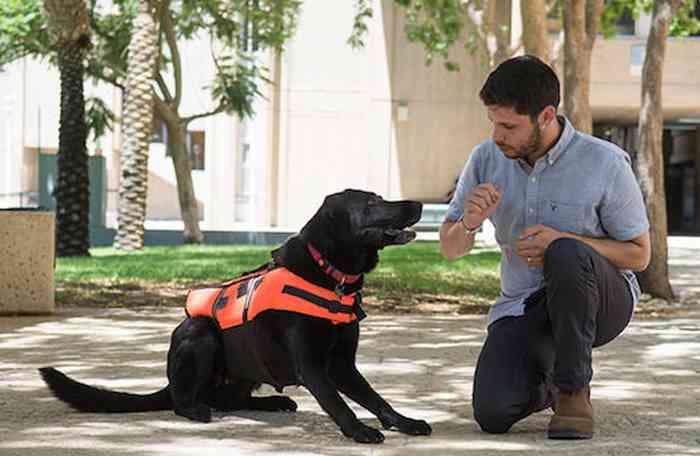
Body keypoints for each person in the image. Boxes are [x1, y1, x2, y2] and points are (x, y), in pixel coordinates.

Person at [439, 55, 650, 440]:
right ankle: (549, 382)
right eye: (493, 123)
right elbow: (451, 249)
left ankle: (573, 391)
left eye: (508, 126)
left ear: (546, 116)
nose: (496, 136)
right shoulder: (486, 159)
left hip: (602, 301)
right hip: (524, 304)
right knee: (493, 414)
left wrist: (566, 241)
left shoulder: (604, 163)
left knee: (566, 253)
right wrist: (469, 221)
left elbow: (639, 254)